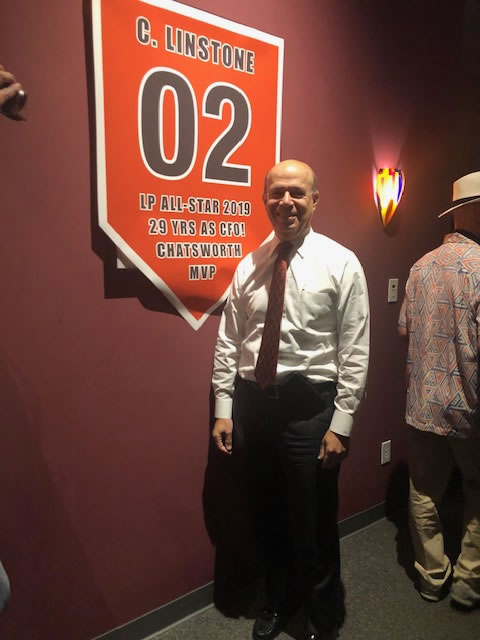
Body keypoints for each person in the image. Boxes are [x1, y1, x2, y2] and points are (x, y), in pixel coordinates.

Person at [212, 159, 370, 640]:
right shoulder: (250, 265)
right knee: (267, 513)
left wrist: (341, 423)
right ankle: (279, 601)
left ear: (315, 200)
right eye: (277, 193)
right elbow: (229, 340)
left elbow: (355, 348)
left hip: (310, 409)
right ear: (265, 200)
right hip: (255, 408)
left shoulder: (342, 263)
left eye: (297, 193)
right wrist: (224, 408)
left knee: (313, 520)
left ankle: (322, 615)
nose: (287, 202)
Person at [398, 170, 480, 609]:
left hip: (423, 403)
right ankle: (469, 581)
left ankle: (432, 577)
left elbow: (404, 329)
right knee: (477, 490)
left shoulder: (420, 266)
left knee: (424, 493)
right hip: (471, 407)